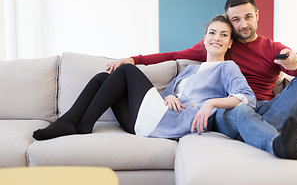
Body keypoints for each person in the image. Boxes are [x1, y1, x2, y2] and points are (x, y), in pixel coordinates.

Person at [107, 0, 297, 160]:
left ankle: (253, 129)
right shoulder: (220, 44)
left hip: (264, 106)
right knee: (241, 111)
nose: (243, 24)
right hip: (228, 108)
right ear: (229, 22)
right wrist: (134, 60)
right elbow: (173, 55)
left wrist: (294, 62)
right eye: (236, 20)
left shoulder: (272, 47)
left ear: (257, 15)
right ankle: (275, 142)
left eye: (248, 17)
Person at [32, 15, 257, 143]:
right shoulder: (190, 70)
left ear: (229, 44)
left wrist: (211, 103)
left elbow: (247, 97)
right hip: (145, 122)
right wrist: (168, 97)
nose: (217, 38)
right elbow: (167, 93)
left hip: (170, 123)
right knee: (102, 77)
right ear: (204, 38)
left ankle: (82, 123)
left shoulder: (228, 67)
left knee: (128, 71)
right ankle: (73, 122)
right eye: (212, 32)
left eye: (224, 35)